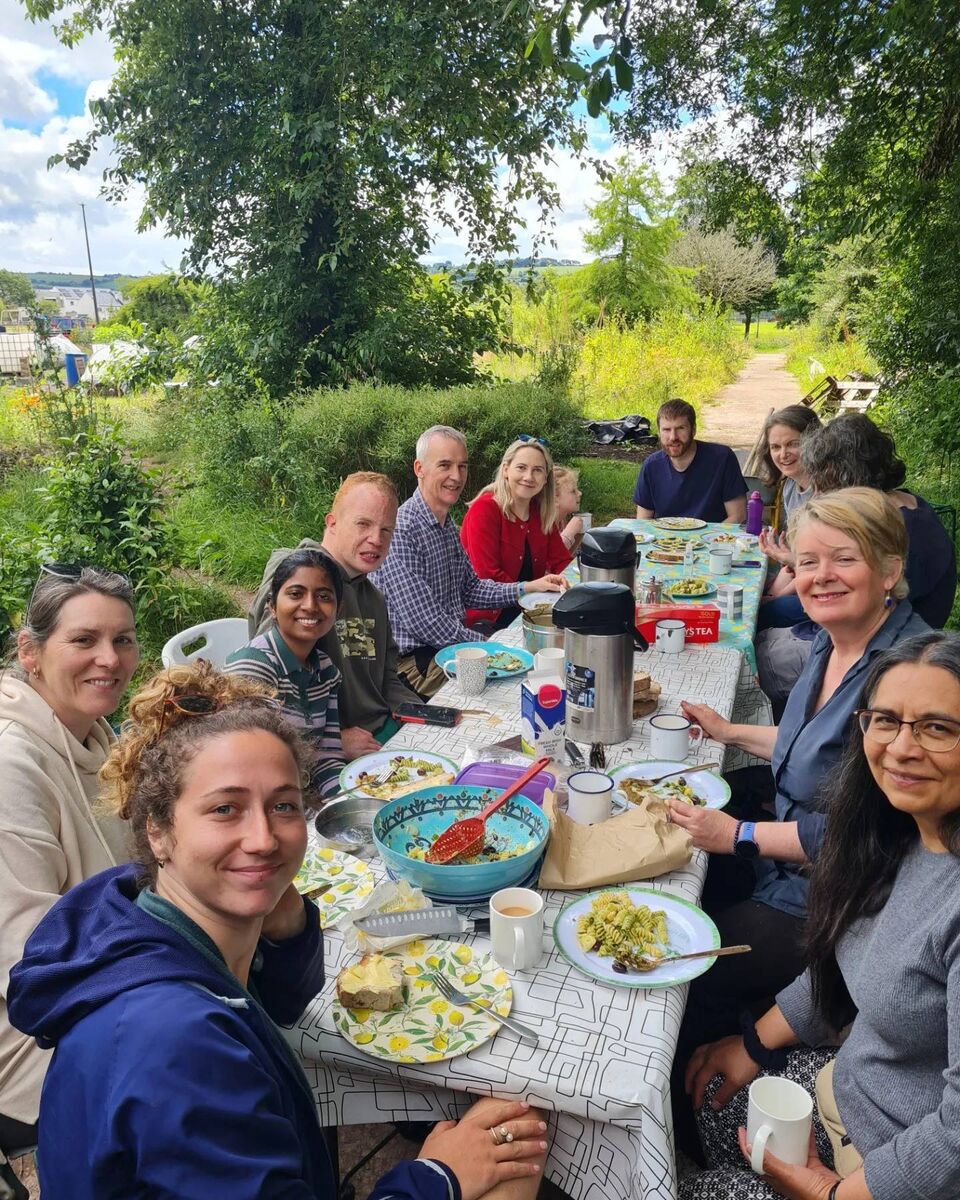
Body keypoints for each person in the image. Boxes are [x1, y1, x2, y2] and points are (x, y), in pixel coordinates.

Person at [7, 662, 550, 1200]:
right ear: (159, 831)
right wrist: (435, 1177)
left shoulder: (133, 911)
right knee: (515, 1152)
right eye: (225, 809)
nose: (264, 838)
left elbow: (281, 1006)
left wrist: (285, 918)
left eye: (283, 806)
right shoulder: (177, 1044)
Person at [680, 631, 960, 1200]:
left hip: (892, 1168)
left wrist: (831, 1193)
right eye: (886, 720)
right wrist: (753, 1046)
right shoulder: (898, 832)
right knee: (692, 1093)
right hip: (843, 1094)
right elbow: (839, 967)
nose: (903, 748)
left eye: (938, 728)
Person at [668, 490, 930, 1056]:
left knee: (682, 970)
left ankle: (716, 1078)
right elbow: (808, 745)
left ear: (890, 569)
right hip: (789, 866)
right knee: (677, 879)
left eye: (843, 558)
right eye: (807, 562)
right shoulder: (837, 640)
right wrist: (730, 731)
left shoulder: (907, 678)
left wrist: (737, 834)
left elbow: (865, 838)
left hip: (843, 901)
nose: (821, 577)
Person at [0, 565, 139, 1161]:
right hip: (34, 1032)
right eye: (83, 640)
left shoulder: (93, 733)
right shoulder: (13, 763)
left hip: (109, 971)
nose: (109, 659)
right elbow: (28, 956)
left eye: (123, 639)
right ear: (30, 652)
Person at [757, 413, 957, 704]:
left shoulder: (885, 527)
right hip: (871, 633)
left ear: (844, 477)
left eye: (824, 483)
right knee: (763, 636)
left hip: (890, 655)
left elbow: (870, 616)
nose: (820, 493)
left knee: (763, 658)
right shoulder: (900, 503)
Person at [372, 426, 566, 697]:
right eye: (445, 465)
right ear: (419, 468)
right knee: (516, 689)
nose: (456, 476)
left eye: (462, 466)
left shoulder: (444, 523)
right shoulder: (403, 529)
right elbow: (426, 623)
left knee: (543, 673)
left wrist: (528, 588)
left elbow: (471, 589)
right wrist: (492, 646)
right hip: (414, 665)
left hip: (448, 647)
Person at [248, 473, 419, 758]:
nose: (376, 540)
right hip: (323, 752)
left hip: (382, 730)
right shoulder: (296, 587)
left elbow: (387, 678)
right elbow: (260, 694)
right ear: (332, 523)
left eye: (386, 530)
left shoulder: (373, 596)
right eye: (363, 524)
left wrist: (426, 712)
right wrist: (333, 742)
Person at [226, 548, 345, 800]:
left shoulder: (327, 672)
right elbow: (242, 766)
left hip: (302, 794)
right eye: (295, 594)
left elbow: (328, 756)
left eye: (324, 596)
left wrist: (340, 802)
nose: (310, 606)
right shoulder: (253, 667)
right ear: (271, 605)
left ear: (338, 610)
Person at [460, 436, 572, 630]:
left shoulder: (540, 511)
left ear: (546, 478)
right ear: (505, 470)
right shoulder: (485, 509)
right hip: (488, 617)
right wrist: (533, 589)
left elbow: (561, 560)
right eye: (521, 467)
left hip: (530, 610)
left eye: (537, 470)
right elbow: (486, 576)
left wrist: (567, 580)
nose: (529, 477)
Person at [754, 405, 822, 633]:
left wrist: (774, 599)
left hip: (822, 588)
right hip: (799, 574)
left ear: (814, 442)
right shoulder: (790, 487)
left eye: (793, 444)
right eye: (776, 447)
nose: (783, 454)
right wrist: (770, 593)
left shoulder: (826, 494)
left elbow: (812, 565)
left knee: (757, 613)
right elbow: (792, 560)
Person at [633, 399, 747, 524]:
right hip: (666, 541)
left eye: (680, 428)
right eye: (666, 430)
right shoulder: (651, 466)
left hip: (713, 539)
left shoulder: (723, 458)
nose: (673, 437)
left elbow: (738, 516)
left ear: (693, 430)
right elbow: (643, 521)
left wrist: (705, 541)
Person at [554, 465, 585, 555]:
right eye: (573, 491)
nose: (579, 493)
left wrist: (578, 535)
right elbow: (551, 558)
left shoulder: (561, 521)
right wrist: (569, 533)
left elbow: (565, 556)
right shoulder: (543, 525)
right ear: (555, 498)